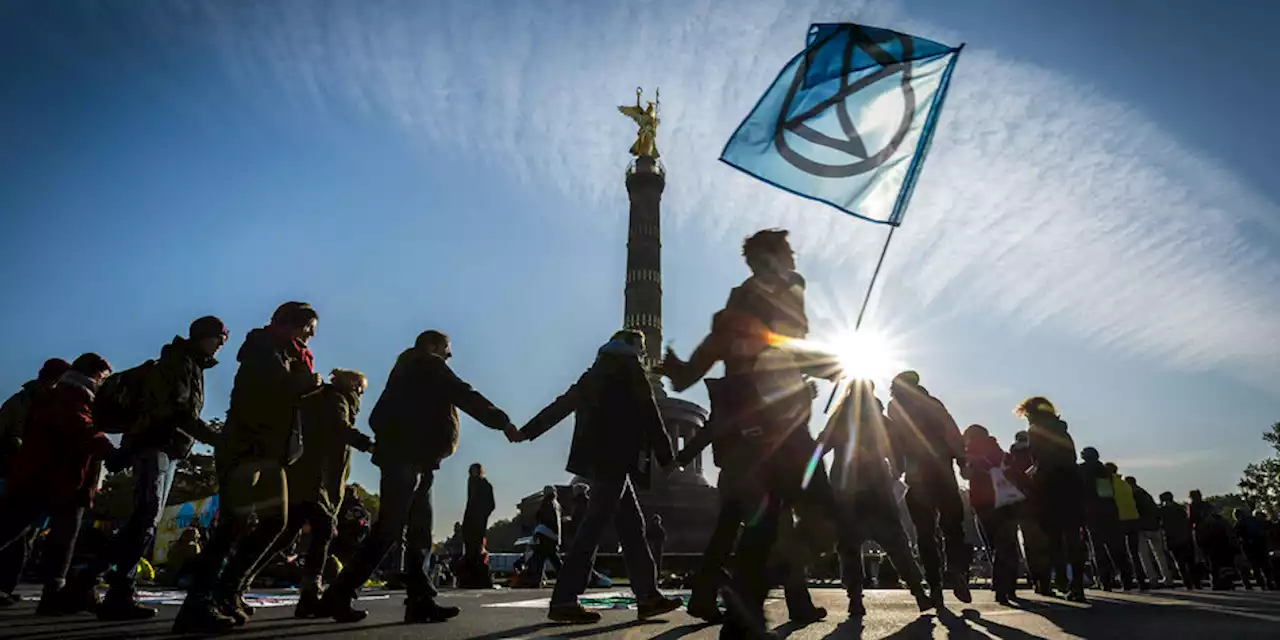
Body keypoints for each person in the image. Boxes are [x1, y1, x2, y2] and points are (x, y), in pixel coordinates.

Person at [322, 329, 519, 624]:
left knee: (419, 533)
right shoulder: (430, 365)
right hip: (410, 458)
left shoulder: (403, 371)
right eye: (447, 349)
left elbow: (377, 416)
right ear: (434, 346)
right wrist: (502, 422)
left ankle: (420, 599)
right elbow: (466, 395)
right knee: (392, 530)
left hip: (414, 460)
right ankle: (342, 592)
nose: (449, 355)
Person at [68, 317, 229, 621]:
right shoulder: (180, 363)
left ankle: (88, 584)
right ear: (203, 336)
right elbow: (178, 412)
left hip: (161, 447)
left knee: (142, 522)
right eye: (220, 336)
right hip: (156, 446)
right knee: (145, 520)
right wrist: (218, 439)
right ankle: (113, 592)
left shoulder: (188, 363)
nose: (223, 342)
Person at [175, 302, 323, 633]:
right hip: (245, 448)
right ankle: (197, 604)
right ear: (289, 325)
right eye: (308, 329)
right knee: (234, 524)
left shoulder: (285, 355)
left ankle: (229, 590)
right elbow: (275, 390)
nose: (311, 337)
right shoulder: (262, 349)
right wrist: (309, 381)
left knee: (277, 522)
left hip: (270, 453)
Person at [518, 329, 682, 625]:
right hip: (616, 458)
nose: (644, 353)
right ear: (631, 345)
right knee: (592, 527)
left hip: (597, 459)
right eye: (642, 347)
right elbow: (650, 411)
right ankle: (564, 599)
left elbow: (564, 403)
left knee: (633, 527)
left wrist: (529, 430)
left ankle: (648, 596)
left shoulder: (594, 372)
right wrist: (668, 459)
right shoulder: (630, 367)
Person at [242, 368, 374, 617]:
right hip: (315, 479)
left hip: (302, 476)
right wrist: (369, 445)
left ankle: (238, 580)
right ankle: (309, 594)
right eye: (362, 390)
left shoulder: (320, 398)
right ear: (355, 387)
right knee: (322, 532)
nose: (361, 395)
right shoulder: (336, 400)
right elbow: (339, 429)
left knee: (284, 534)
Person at [0, 353, 115, 615]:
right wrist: (109, 450)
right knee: (19, 530)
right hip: (51, 478)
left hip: (53, 479)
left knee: (49, 536)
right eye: (103, 377)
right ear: (94, 375)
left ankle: (53, 593)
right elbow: (79, 426)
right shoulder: (70, 396)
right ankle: (52, 594)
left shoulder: (65, 395)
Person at [821, 381, 931, 616]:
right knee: (896, 544)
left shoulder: (841, 418)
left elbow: (821, 445)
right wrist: (896, 471)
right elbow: (898, 448)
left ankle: (855, 598)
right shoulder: (879, 418)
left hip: (847, 490)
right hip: (876, 489)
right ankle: (918, 592)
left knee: (850, 548)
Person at [887, 370, 972, 606]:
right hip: (942, 472)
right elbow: (951, 431)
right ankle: (956, 569)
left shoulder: (895, 409)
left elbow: (893, 440)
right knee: (953, 527)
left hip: (916, 477)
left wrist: (895, 467)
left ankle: (934, 586)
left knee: (925, 533)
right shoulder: (933, 404)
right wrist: (962, 461)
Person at [0, 357, 70, 607]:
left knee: (24, 537)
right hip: (14, 473)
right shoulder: (25, 401)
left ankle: (4, 587)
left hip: (33, 476)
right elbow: (7, 432)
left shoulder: (45, 401)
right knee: (11, 530)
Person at [1013, 397, 1086, 602]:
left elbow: (1040, 461)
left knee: (1053, 537)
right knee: (1073, 536)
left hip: (1050, 487)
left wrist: (1031, 477)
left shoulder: (1036, 430)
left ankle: (1061, 578)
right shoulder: (1063, 430)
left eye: (1027, 415)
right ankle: (1077, 585)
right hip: (1072, 485)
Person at [962, 425, 1020, 604]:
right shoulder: (1001, 453)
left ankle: (1001, 587)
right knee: (1009, 544)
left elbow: (966, 475)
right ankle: (1009, 586)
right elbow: (1015, 473)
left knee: (992, 545)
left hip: (983, 504)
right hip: (1006, 502)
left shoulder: (969, 454)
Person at [1078, 448, 1133, 591]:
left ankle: (1105, 581)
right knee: (1117, 547)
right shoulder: (1104, 471)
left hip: (1092, 513)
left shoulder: (1081, 470)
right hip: (1110, 512)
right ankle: (1126, 578)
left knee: (1098, 549)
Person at [1005, 430, 1051, 595]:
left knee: (1027, 543)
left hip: (1019, 503)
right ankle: (1045, 581)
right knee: (1043, 544)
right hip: (1040, 503)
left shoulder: (1010, 459)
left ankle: (1034, 578)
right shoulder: (1037, 455)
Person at [1125, 476, 1172, 588]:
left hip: (1141, 528)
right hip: (1154, 527)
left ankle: (1153, 579)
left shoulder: (1132, 495)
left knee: (1144, 555)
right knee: (1160, 554)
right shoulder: (1146, 494)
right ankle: (1167, 578)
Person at [1107, 462, 1147, 590]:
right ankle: (1141, 579)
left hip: (1119, 520)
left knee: (1120, 552)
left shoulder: (1109, 484)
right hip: (1133, 519)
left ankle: (1125, 579)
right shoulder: (1125, 484)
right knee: (1134, 553)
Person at [458, 463, 496, 588]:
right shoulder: (472, 483)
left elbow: (491, 504)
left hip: (477, 521)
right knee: (470, 548)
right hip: (470, 520)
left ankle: (478, 577)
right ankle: (470, 578)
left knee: (476, 548)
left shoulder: (484, 485)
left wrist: (482, 515)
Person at [523, 486, 564, 586]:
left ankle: (535, 580)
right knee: (553, 558)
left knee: (540, 559)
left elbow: (542, 519)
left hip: (544, 534)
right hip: (553, 535)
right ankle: (565, 578)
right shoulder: (556, 504)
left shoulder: (546, 504)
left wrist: (537, 532)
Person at [1158, 491, 1196, 588]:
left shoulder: (1163, 510)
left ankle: (1187, 582)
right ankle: (1196, 581)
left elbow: (1160, 524)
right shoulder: (1179, 508)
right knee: (1189, 560)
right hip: (1184, 537)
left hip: (1172, 538)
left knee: (1179, 561)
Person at [1234, 508, 1275, 590]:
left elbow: (1237, 537)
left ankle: (1262, 583)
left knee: (1255, 567)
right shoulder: (1253, 520)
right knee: (1265, 565)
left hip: (1249, 547)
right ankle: (1269, 582)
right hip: (1260, 545)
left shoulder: (1239, 524)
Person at [647, 514, 666, 578]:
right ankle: (655, 575)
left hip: (656, 548)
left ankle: (656, 575)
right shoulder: (659, 529)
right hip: (655, 548)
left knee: (656, 562)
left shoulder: (656, 529)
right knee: (655, 562)